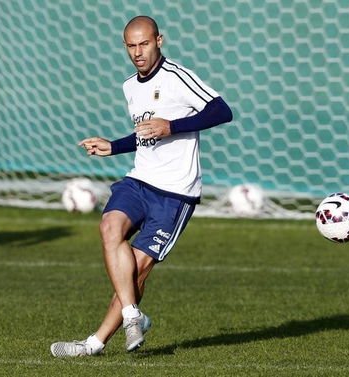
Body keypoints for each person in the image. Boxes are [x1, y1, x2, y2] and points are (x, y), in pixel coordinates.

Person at [50, 15, 233, 357]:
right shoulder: (129, 86)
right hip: (139, 180)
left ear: (159, 41)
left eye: (144, 43)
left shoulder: (178, 77)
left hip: (175, 193)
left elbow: (222, 111)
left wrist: (172, 126)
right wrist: (113, 146)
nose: (138, 52)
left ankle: (93, 344)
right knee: (109, 227)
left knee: (136, 267)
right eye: (131, 46)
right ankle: (133, 314)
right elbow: (144, 135)